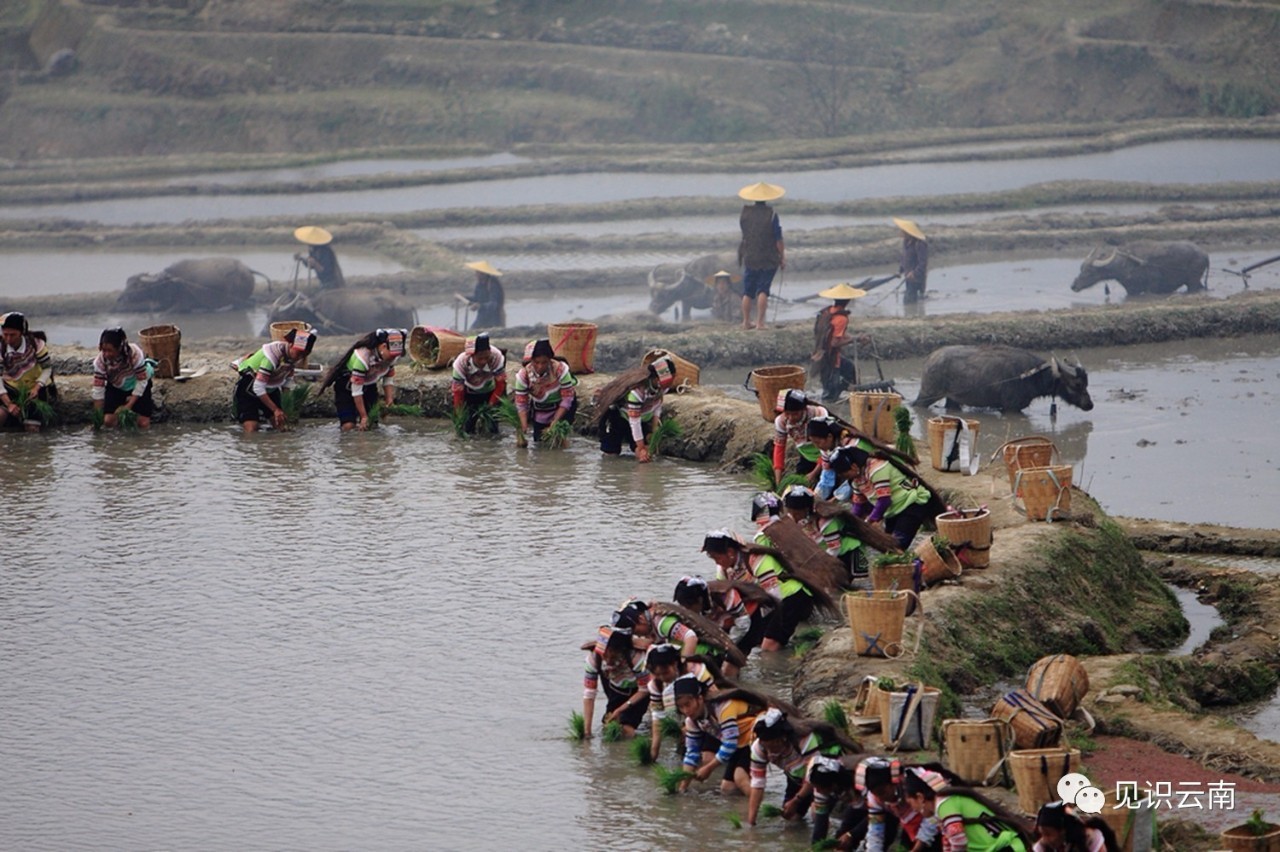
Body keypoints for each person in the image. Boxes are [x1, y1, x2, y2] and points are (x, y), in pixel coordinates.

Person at [701, 529, 814, 653]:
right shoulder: (723, 570)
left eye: (717, 557)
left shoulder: (758, 560)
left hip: (789, 597)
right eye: (713, 559)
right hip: (765, 601)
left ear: (730, 552)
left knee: (768, 648)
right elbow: (726, 599)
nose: (717, 562)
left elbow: (774, 597)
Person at [745, 708, 849, 827]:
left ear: (783, 738)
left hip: (823, 775)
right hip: (796, 776)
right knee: (791, 818)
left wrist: (796, 800)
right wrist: (751, 822)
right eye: (765, 746)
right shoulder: (759, 748)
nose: (769, 752)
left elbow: (811, 777)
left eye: (773, 745)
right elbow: (757, 784)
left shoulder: (805, 741)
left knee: (817, 814)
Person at [901, 765, 1034, 852]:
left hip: (1005, 848)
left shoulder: (945, 805)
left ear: (920, 797)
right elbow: (948, 843)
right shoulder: (946, 806)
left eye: (911, 802)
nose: (913, 808)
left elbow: (959, 843)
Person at [673, 674, 763, 796]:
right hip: (741, 743)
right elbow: (691, 753)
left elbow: (730, 744)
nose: (686, 711)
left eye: (688, 704)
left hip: (757, 737)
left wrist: (709, 768)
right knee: (728, 788)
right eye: (681, 707)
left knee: (740, 778)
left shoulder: (723, 707)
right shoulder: (692, 721)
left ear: (699, 699)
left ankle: (760, 809)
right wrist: (682, 789)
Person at [831, 445, 933, 550]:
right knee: (887, 547)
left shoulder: (877, 469)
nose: (843, 477)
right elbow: (859, 505)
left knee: (896, 547)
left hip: (911, 504)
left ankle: (918, 565)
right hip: (893, 511)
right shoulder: (856, 479)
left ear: (853, 466)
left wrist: (869, 521)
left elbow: (884, 500)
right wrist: (849, 524)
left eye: (844, 473)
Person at [319, 328, 405, 431]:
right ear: (383, 347)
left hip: (369, 386)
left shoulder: (392, 356)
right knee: (349, 426)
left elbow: (388, 379)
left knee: (372, 425)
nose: (393, 359)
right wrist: (363, 416)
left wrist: (389, 399)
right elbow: (356, 392)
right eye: (391, 356)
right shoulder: (363, 358)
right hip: (347, 387)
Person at [233, 327, 317, 433]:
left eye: (303, 355)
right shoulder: (271, 356)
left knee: (281, 426)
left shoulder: (293, 357)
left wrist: (286, 406)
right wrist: (276, 409)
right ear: (290, 345)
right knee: (252, 428)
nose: (299, 357)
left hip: (271, 387)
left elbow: (287, 380)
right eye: (299, 353)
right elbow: (258, 387)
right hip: (249, 386)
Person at [643, 642, 718, 762]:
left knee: (708, 758)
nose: (663, 678)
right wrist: (654, 751)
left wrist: (692, 724)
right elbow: (657, 717)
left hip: (709, 719)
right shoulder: (656, 686)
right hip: (686, 722)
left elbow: (715, 699)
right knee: (685, 759)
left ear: (675, 663)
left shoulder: (697, 671)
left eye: (665, 673)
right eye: (658, 675)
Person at [592, 356, 676, 462]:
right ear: (656, 379)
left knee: (645, 452)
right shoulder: (636, 392)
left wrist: (654, 429)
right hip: (620, 417)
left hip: (642, 418)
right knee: (611, 453)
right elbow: (634, 421)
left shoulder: (662, 387)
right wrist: (641, 448)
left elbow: (657, 405)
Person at [581, 624, 651, 740]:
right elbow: (589, 693)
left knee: (627, 730)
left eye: (613, 655)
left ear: (622, 650)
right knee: (609, 726)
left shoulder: (637, 658)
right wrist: (587, 731)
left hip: (639, 692)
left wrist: (620, 709)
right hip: (615, 688)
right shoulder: (594, 659)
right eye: (605, 655)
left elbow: (645, 689)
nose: (608, 660)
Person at [861, 758, 941, 852]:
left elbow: (933, 816)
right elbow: (875, 831)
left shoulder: (916, 781)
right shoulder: (874, 798)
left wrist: (917, 848)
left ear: (893, 783)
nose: (881, 798)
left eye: (883, 792)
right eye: (876, 795)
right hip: (912, 828)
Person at [737, 181, 786, 330]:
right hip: (768, 258)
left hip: (750, 256)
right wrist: (782, 256)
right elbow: (778, 239)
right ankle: (760, 323)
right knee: (763, 290)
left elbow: (745, 234)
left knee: (748, 291)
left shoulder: (745, 214)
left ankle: (746, 322)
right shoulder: (772, 215)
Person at [513, 338, 577, 447]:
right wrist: (523, 426)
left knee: (560, 441)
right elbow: (521, 403)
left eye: (544, 362)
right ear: (531, 360)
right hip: (541, 409)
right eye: (536, 362)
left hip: (563, 408)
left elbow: (567, 399)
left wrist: (554, 422)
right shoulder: (524, 375)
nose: (540, 366)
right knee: (539, 443)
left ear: (550, 360)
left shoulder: (560, 369)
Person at [812, 282, 868, 401]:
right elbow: (834, 343)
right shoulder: (841, 318)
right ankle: (832, 403)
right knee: (829, 396)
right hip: (830, 359)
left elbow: (837, 334)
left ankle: (842, 392)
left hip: (821, 354)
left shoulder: (827, 312)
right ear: (848, 301)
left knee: (850, 370)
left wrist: (855, 337)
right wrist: (854, 339)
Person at [0, 312, 55, 432]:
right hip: (10, 388)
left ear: (21, 333)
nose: (8, 339)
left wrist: (37, 387)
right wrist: (9, 404)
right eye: (5, 335)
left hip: (33, 389)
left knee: (32, 429)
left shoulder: (35, 344)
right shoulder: (1, 347)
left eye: (13, 335)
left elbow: (47, 368)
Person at [92, 327, 156, 430]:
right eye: (104, 350)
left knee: (143, 423)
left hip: (137, 383)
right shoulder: (100, 361)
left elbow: (142, 380)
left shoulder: (134, 354)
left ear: (119, 348)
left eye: (110, 350)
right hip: (116, 386)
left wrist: (128, 405)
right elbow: (98, 389)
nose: (106, 354)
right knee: (108, 421)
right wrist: (97, 416)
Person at [450, 333, 507, 435]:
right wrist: (459, 415)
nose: (484, 361)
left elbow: (500, 384)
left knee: (492, 429)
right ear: (472, 356)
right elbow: (458, 393)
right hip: (469, 393)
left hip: (490, 391)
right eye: (480, 358)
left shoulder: (496, 357)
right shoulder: (461, 363)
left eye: (486, 357)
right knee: (467, 428)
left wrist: (490, 404)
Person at [807, 755, 867, 850]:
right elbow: (821, 821)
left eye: (820, 788)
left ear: (833, 785)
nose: (817, 791)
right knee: (840, 843)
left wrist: (852, 834)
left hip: (884, 806)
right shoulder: (820, 787)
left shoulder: (861, 783)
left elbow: (877, 815)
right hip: (857, 803)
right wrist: (816, 847)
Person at [770, 389, 829, 484]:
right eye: (787, 414)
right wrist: (778, 481)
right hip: (806, 455)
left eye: (795, 414)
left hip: (826, 455)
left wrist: (814, 473)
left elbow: (828, 448)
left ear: (804, 409)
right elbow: (779, 449)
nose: (791, 418)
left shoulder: (818, 415)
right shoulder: (781, 421)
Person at [1032, 802, 1120, 852]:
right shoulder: (1042, 846)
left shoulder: (1090, 838)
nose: (1045, 839)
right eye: (1042, 834)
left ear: (1063, 830)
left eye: (1048, 834)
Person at [458, 261, 506, 330]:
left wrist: (480, 306)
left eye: (478, 272)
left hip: (493, 318)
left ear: (483, 274)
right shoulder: (479, 285)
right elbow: (477, 298)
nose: (476, 274)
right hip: (482, 316)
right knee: (472, 331)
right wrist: (463, 297)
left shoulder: (493, 285)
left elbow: (494, 304)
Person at [293, 225, 345, 290]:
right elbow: (310, 265)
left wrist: (315, 263)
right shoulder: (313, 250)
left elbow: (326, 271)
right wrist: (301, 259)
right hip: (322, 281)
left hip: (330, 283)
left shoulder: (325, 252)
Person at [895, 218, 929, 304]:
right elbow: (904, 258)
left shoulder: (920, 244)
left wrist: (914, 273)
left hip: (917, 278)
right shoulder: (906, 242)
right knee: (909, 299)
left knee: (910, 300)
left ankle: (913, 314)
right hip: (908, 276)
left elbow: (923, 263)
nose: (900, 232)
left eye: (902, 231)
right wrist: (900, 270)